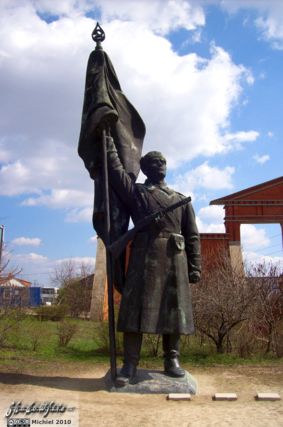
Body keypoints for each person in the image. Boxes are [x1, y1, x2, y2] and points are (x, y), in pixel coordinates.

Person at [106, 137, 201, 386]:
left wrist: (195, 266)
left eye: (163, 162)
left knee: (174, 312)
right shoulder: (137, 192)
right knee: (134, 313)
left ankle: (172, 360)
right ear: (145, 169)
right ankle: (130, 364)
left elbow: (192, 235)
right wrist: (108, 143)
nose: (160, 165)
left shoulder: (180, 198)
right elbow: (116, 174)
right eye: (154, 162)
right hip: (144, 257)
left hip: (174, 260)